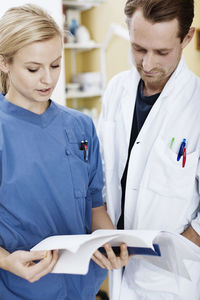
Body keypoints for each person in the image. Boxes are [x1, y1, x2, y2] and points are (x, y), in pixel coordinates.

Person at [0, 4, 129, 300]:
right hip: (21, 289)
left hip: (84, 287)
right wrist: (5, 260)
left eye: (56, 65)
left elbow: (95, 208)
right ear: (4, 63)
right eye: (33, 68)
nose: (48, 79)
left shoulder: (80, 127)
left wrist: (114, 245)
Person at [98, 0, 200, 299]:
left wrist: (174, 251)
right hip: (118, 271)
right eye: (138, 48)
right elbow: (104, 178)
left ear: (187, 38)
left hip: (171, 283)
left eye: (162, 52)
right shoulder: (117, 90)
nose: (147, 64)